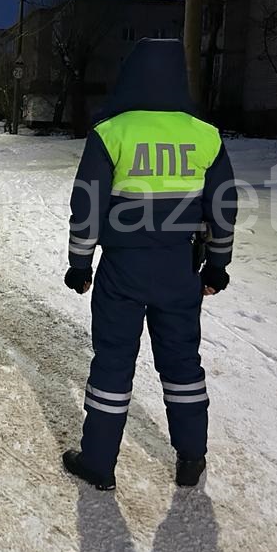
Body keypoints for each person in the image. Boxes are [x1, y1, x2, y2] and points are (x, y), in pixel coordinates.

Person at [61, 38, 237, 491]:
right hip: (180, 270)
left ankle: (99, 463)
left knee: (113, 363)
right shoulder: (205, 136)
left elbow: (88, 206)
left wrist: (80, 265)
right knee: (182, 364)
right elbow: (223, 208)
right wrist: (217, 266)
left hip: (122, 271)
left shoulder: (111, 132)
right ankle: (191, 457)